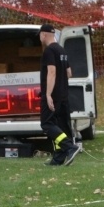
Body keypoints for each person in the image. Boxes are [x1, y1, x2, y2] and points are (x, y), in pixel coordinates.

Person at [39, 24, 81, 166]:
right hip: (63, 95)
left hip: (53, 95)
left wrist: (48, 94)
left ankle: (69, 147)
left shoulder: (49, 51)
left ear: (43, 35)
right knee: (61, 126)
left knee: (47, 123)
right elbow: (69, 73)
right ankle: (58, 159)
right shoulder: (61, 50)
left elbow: (52, 71)